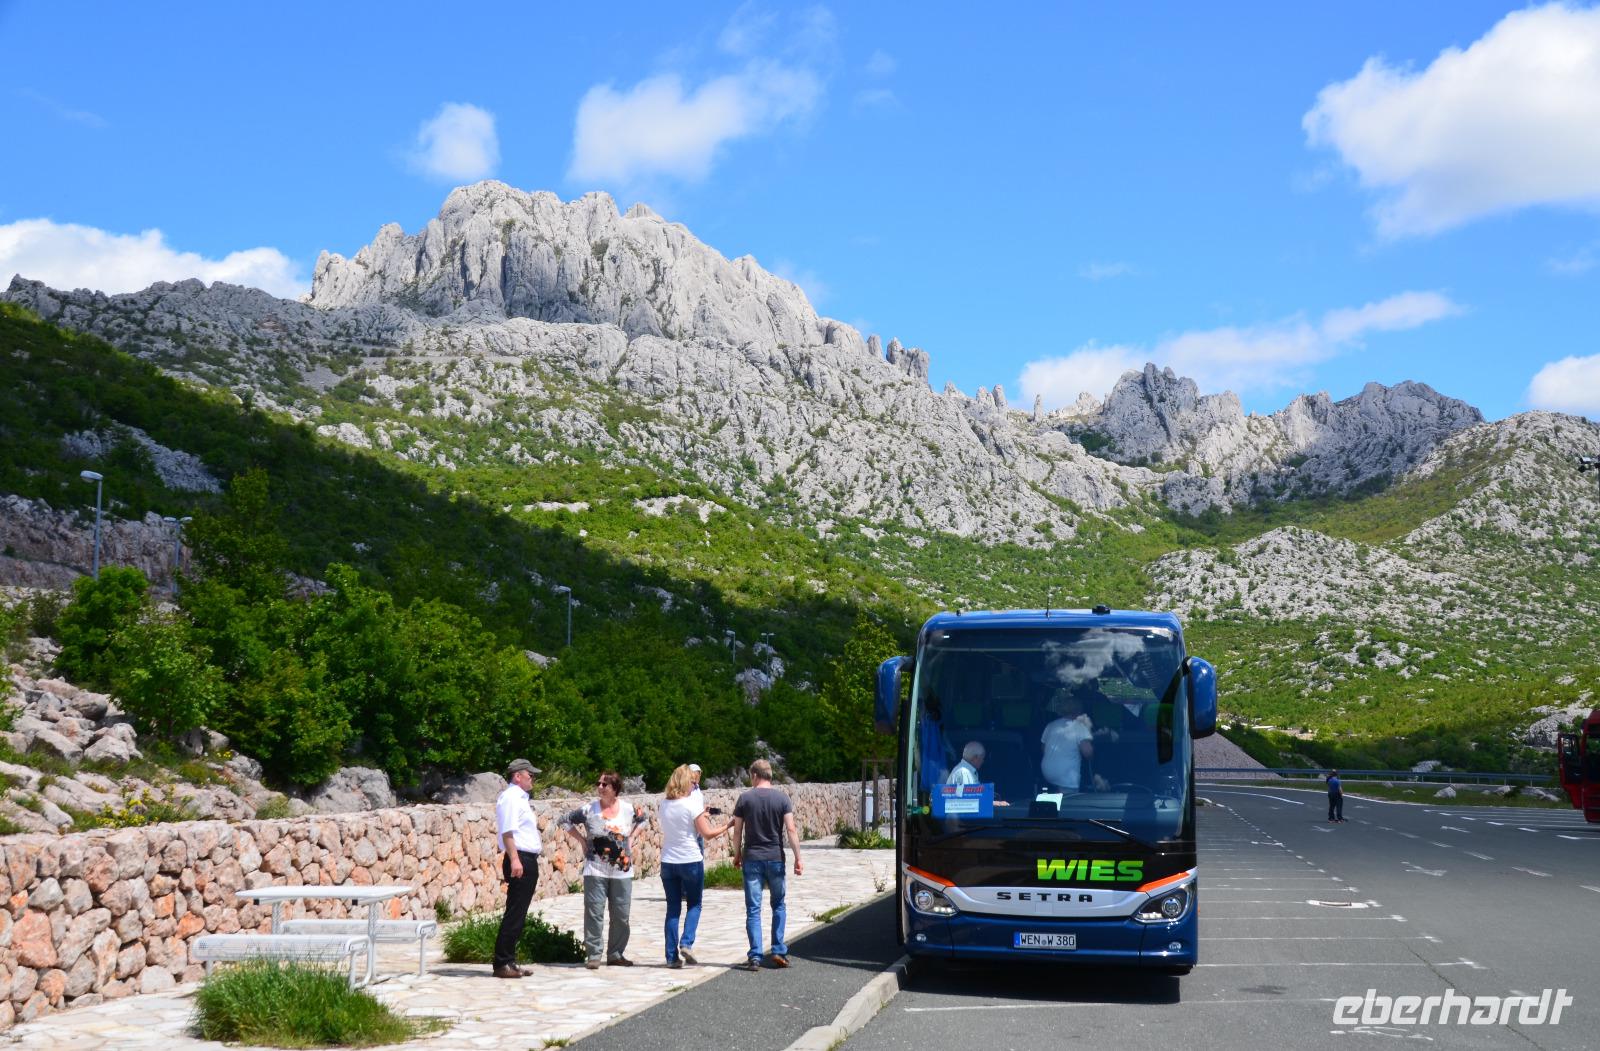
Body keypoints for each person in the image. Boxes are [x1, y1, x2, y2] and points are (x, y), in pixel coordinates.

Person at [562, 771, 645, 968]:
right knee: (594, 912)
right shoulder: (589, 809)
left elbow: (644, 819)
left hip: (621, 870)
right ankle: (594, 954)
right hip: (595, 869)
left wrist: (631, 838)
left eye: (604, 784)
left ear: (614, 789)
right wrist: (581, 840)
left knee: (621, 914)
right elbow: (564, 820)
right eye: (598, 783)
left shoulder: (628, 808)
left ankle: (616, 954)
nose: (599, 787)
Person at [730, 758, 804, 970]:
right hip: (775, 858)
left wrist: (737, 855)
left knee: (753, 909)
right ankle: (778, 950)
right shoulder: (782, 799)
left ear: (754, 775)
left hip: (752, 858)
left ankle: (755, 956)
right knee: (778, 904)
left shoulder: (745, 799)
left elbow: (737, 831)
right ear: (769, 775)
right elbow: (791, 830)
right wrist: (798, 858)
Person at [659, 764, 731, 967]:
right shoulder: (691, 805)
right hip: (690, 859)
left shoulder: (664, 804)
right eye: (692, 782)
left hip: (668, 861)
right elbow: (707, 833)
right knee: (695, 904)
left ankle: (671, 957)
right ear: (684, 782)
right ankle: (686, 942)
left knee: (672, 909)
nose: (694, 785)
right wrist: (728, 825)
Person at [492, 758, 543, 979]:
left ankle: (510, 961)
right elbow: (507, 831)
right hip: (519, 857)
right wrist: (515, 859)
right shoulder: (511, 798)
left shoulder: (519, 798)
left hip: (525, 857)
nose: (533, 778)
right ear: (518, 776)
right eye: (530, 775)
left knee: (519, 913)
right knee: (514, 912)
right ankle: (502, 962)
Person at [1040, 689, 1103, 792]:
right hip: (1066, 777)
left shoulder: (1051, 725)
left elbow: (1043, 749)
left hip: (1047, 773)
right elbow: (1087, 753)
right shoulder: (1079, 727)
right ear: (1078, 710)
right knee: (1068, 803)